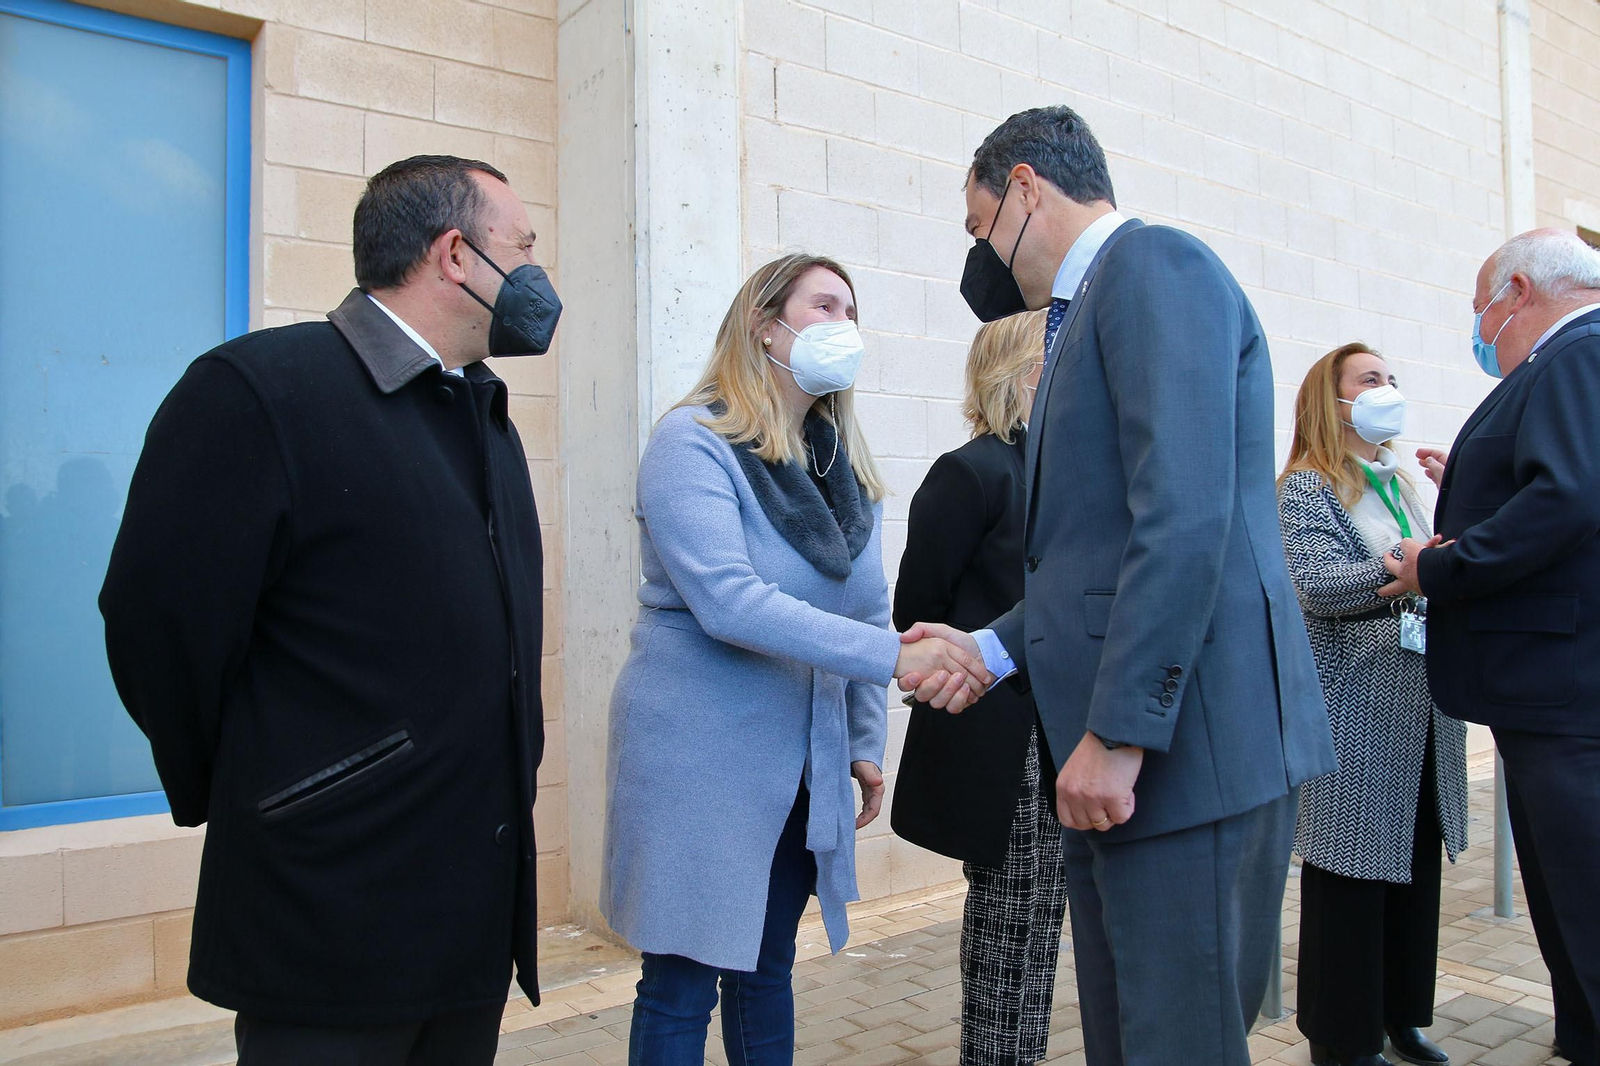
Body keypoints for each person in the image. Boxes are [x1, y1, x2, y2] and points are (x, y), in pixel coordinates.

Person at [900, 105, 1338, 1066]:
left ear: (1025, 188)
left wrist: (1119, 733)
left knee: (1174, 1043)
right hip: (1132, 763)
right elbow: (1091, 556)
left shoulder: (1152, 266)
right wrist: (989, 648)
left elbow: (1183, 518)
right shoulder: (1087, 311)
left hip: (1178, 759)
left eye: (979, 226)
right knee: (1131, 1040)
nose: (983, 256)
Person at [98, 156, 558, 1066]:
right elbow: (158, 626)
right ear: (455, 255)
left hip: (468, 918)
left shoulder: (481, 411)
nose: (538, 275)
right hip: (329, 914)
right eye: (524, 247)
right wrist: (264, 789)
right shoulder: (262, 390)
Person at [600, 253, 992, 1066]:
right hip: (698, 756)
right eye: (824, 306)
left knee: (766, 970)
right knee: (681, 984)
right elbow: (730, 601)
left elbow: (862, 610)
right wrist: (896, 660)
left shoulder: (839, 466)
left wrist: (861, 740)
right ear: (763, 324)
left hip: (798, 762)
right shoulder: (692, 443)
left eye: (851, 311)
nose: (843, 325)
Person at [1381, 229, 1600, 1066]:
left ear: (1517, 292)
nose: (1479, 330)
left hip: (1563, 688)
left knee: (1583, 894)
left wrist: (1439, 566)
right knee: (1565, 896)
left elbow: (1565, 498)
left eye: (1480, 309)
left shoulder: (1575, 354)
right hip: (1552, 685)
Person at [1277, 343, 1470, 1066]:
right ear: (1331, 401)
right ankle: (1342, 1039)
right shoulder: (1307, 486)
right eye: (1370, 379)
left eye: (1391, 377)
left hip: (1422, 708)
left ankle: (1400, 1016)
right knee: (1350, 877)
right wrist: (1405, 569)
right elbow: (1318, 586)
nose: (1387, 388)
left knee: (1413, 868)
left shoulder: (1398, 481)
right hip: (1356, 710)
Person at [891, 308, 1064, 1066]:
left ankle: (1019, 1054)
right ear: (1025, 374)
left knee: (1041, 921)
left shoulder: (1058, 473)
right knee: (1007, 923)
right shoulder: (973, 471)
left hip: (1055, 733)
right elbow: (917, 612)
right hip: (999, 738)